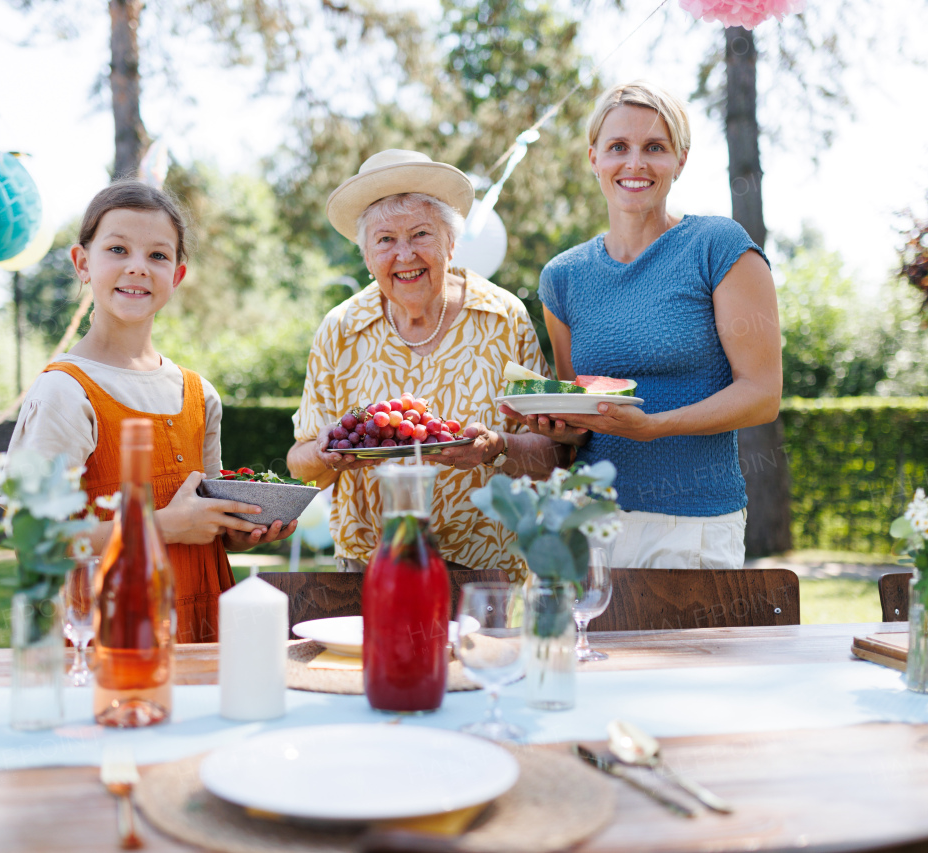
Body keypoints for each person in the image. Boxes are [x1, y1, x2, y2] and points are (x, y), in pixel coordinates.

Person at [505, 81, 782, 569]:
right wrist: (558, 427)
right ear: (594, 158)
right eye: (618, 147)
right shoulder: (563, 276)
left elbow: (762, 394)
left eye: (654, 147)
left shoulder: (718, 246)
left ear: (681, 160)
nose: (634, 164)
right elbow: (579, 413)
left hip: (693, 526)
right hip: (588, 520)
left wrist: (652, 427)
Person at [3, 181, 296, 642]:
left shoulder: (201, 393)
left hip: (205, 635)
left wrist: (239, 529)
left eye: (158, 256)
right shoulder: (64, 391)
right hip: (113, 640)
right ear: (83, 263)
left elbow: (205, 520)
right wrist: (164, 526)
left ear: (176, 277)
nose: (137, 267)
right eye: (118, 249)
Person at [286, 150, 568, 582]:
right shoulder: (341, 329)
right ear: (366, 255)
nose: (404, 254)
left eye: (421, 234)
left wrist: (495, 449)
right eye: (384, 240)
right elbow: (299, 465)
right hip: (367, 573)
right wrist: (325, 452)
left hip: (485, 577)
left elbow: (554, 455)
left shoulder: (504, 318)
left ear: (451, 244)